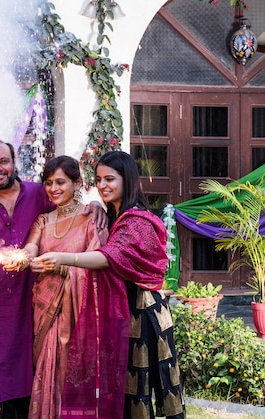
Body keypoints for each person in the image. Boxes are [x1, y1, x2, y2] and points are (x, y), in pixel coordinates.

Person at [0, 138, 106, 419]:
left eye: (4, 161)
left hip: (33, 304)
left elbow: (69, 202)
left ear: (14, 162)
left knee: (34, 375)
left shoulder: (40, 193)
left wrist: (96, 203)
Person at [34, 150, 185, 418]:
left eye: (110, 179)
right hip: (124, 311)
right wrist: (94, 206)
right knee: (121, 391)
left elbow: (109, 257)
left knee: (138, 392)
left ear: (127, 180)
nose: (103, 185)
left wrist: (64, 258)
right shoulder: (113, 214)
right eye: (99, 179)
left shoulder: (136, 219)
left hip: (144, 315)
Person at [4, 155, 109, 418]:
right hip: (46, 310)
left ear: (77, 183)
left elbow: (101, 267)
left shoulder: (92, 219)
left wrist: (62, 266)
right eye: (49, 183)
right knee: (46, 368)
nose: (54, 189)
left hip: (78, 313)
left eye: (61, 182)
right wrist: (21, 259)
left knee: (74, 372)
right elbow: (30, 248)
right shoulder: (43, 221)